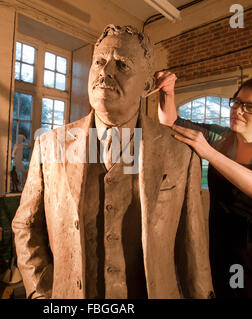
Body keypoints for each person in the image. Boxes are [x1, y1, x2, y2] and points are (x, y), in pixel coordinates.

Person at [12, 25, 214, 299]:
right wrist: (40, 291)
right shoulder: (50, 146)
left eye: (122, 64)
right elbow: (26, 225)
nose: (106, 72)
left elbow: (194, 244)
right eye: (99, 61)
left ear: (146, 86)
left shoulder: (180, 153)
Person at [156, 72, 252, 298]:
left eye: (250, 107)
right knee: (228, 290)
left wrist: (209, 152)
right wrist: (168, 92)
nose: (237, 110)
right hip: (226, 236)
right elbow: (171, 123)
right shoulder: (220, 137)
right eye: (237, 102)